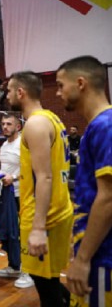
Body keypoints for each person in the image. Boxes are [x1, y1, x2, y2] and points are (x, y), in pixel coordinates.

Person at [6, 71, 73, 306]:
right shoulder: (52, 118)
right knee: (50, 281)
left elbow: (43, 177)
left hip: (45, 216)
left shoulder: (35, 125)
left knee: (46, 289)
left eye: (9, 90)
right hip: (59, 209)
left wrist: (38, 228)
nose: (7, 95)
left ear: (21, 92)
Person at [56, 56, 112, 307]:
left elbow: (108, 198)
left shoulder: (105, 126)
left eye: (60, 85)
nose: (58, 93)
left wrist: (83, 259)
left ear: (80, 83)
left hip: (103, 258)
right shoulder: (97, 126)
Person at [0, 114, 34, 289]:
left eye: (9, 124)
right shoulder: (4, 145)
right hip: (5, 195)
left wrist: (14, 178)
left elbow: (30, 168)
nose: (4, 127)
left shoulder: (23, 145)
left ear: (18, 127)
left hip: (21, 196)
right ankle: (14, 266)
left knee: (22, 233)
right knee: (8, 230)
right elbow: (5, 169)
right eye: (3, 124)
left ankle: (29, 271)